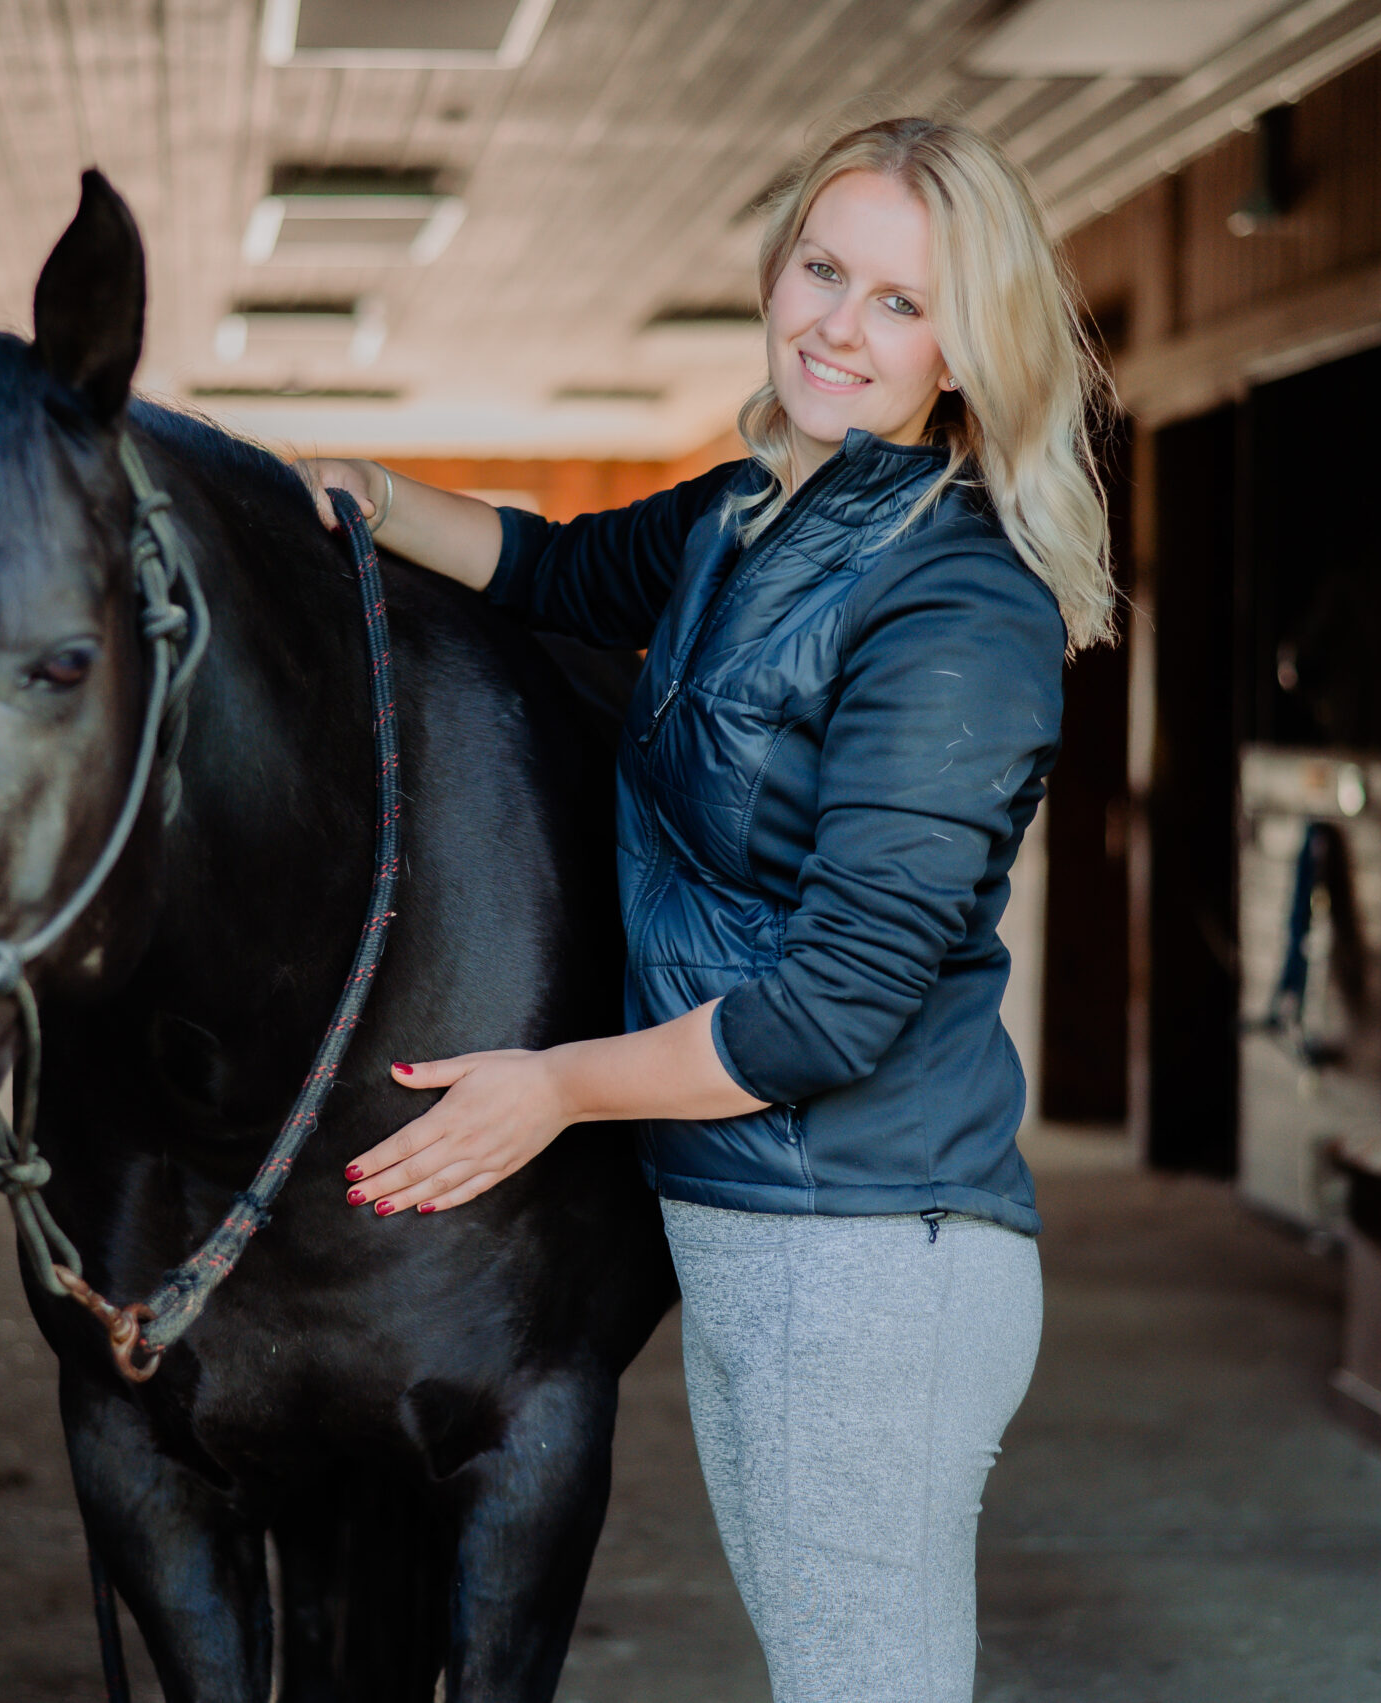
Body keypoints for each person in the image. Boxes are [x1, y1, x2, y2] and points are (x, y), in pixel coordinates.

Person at [299, 115, 1115, 1702]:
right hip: (765, 1234)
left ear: (968, 347)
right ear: (776, 269)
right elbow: (548, 570)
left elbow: (834, 1007)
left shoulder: (955, 598)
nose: (841, 325)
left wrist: (555, 1090)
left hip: (872, 1252)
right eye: (826, 268)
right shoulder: (744, 522)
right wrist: (356, 494)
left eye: (904, 301)